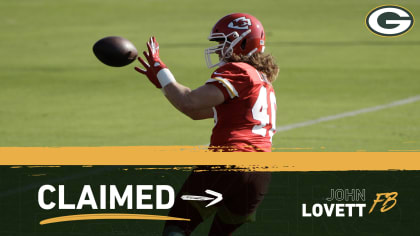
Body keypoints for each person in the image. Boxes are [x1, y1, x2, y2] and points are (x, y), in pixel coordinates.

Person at [135, 13, 279, 236]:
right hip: (259, 176)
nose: (220, 48)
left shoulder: (239, 71)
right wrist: (165, 86)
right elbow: (196, 112)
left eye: (223, 41)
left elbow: (189, 101)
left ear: (242, 41)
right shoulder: (263, 82)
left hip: (229, 161)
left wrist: (160, 69)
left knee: (178, 226)